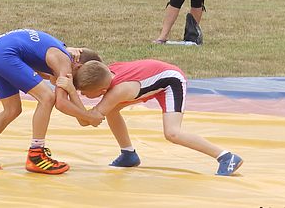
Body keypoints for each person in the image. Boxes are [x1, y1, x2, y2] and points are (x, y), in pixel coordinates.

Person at [58, 58, 243, 176]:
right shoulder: (104, 73)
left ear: (102, 90)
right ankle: (128, 154)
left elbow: (88, 120)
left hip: (170, 81)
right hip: (150, 78)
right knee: (112, 110)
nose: (82, 95)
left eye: (84, 92)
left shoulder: (118, 91)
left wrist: (72, 93)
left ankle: (226, 157)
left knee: (172, 133)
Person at [0, 29, 104, 174]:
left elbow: (36, 66)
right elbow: (61, 103)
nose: (73, 82)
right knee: (47, 97)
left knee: (12, 109)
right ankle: (37, 155)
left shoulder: (61, 52)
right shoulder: (65, 62)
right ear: (78, 66)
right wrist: (89, 116)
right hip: (5, 54)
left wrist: (85, 115)